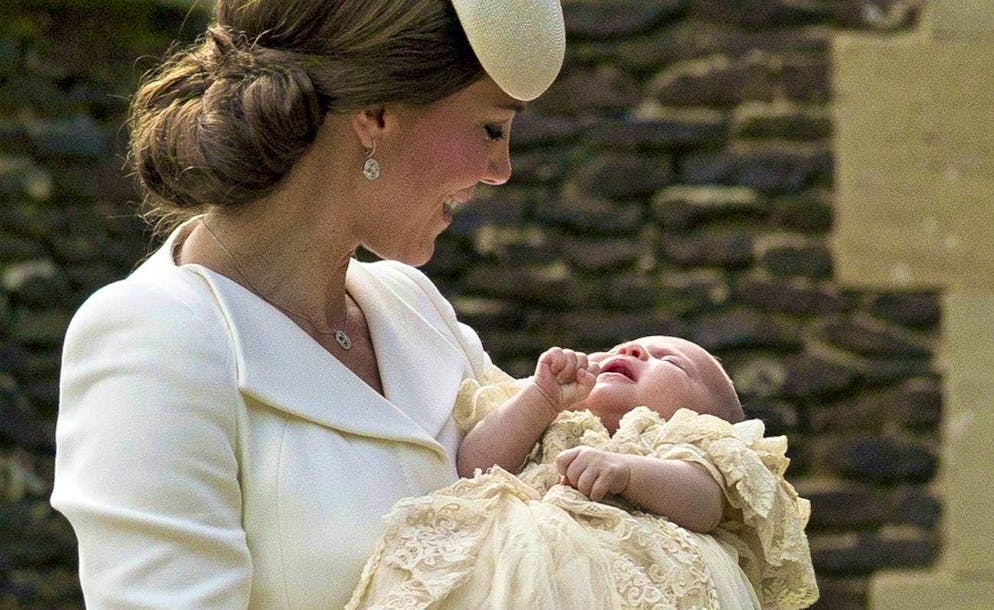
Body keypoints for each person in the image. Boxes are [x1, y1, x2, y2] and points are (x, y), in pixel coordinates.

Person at [51, 1, 567, 608]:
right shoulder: (151, 339)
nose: (500, 169)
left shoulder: (412, 305)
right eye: (490, 128)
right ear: (376, 114)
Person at [347, 336, 819, 609]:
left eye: (668, 361)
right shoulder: (554, 420)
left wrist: (628, 472)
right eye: (625, 347)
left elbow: (704, 503)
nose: (634, 351)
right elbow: (472, 465)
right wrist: (539, 399)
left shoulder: (683, 442)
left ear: (707, 416)